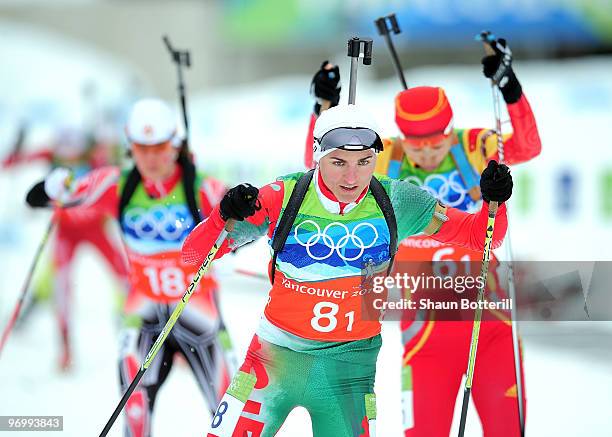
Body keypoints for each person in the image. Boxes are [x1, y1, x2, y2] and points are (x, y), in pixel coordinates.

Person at [181, 102, 514, 436]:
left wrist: (493, 203)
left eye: (364, 162)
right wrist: (221, 215)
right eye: (338, 162)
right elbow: (194, 257)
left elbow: (482, 237)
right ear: (317, 155)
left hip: (348, 369)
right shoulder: (283, 196)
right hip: (273, 359)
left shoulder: (397, 200)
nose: (352, 176)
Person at [308, 36, 541, 436]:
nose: (429, 153)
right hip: (424, 331)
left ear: (451, 130)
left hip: (491, 324)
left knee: (507, 430)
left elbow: (527, 146)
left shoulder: (474, 146)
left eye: (437, 141)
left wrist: (510, 88)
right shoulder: (386, 158)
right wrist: (323, 110)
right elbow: (323, 170)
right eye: (418, 144)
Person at [25, 98, 232, 437]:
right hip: (143, 315)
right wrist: (53, 187)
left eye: (159, 147)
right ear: (129, 146)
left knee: (230, 412)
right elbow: (55, 194)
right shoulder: (116, 184)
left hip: (200, 314)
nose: (150, 157)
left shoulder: (201, 186)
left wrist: (238, 210)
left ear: (175, 144)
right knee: (134, 413)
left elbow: (252, 221)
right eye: (141, 148)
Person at [3, 123, 128, 371]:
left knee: (124, 276)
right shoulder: (51, 154)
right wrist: (16, 152)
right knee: (59, 286)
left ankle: (131, 323)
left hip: (96, 228)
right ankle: (65, 349)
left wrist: (112, 147)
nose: (69, 157)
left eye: (75, 152)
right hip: (65, 231)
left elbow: (118, 165)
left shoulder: (96, 156)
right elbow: (14, 161)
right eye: (64, 153)